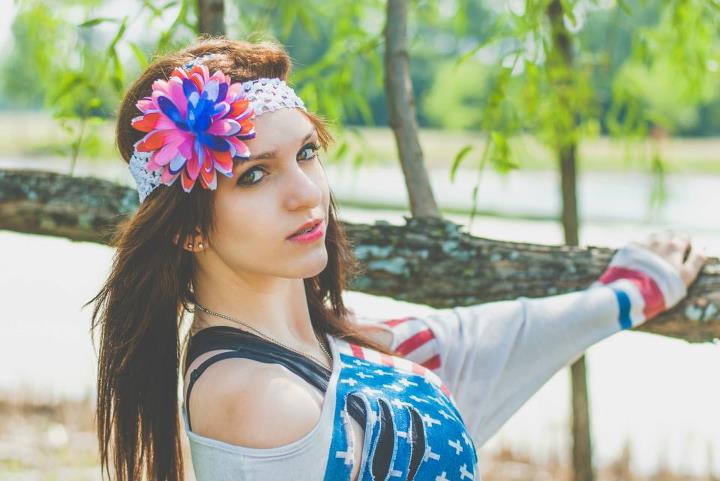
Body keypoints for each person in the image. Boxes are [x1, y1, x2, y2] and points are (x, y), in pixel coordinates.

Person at [89, 37, 706, 481]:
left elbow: (477, 342)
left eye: (306, 153)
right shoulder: (259, 397)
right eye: (254, 176)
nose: (307, 192)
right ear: (188, 230)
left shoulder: (313, 347)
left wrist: (625, 296)